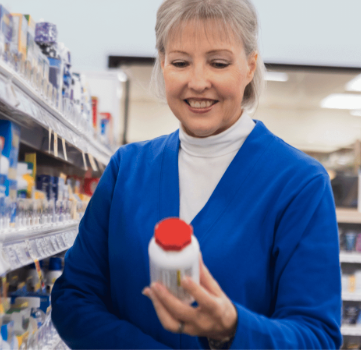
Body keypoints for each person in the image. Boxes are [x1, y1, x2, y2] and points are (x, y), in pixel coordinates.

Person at [51, 0, 342, 349]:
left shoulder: (299, 184)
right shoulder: (126, 169)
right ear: (162, 65)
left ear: (249, 67)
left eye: (218, 63)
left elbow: (317, 336)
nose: (198, 81)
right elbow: (74, 299)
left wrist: (232, 328)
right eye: (180, 62)